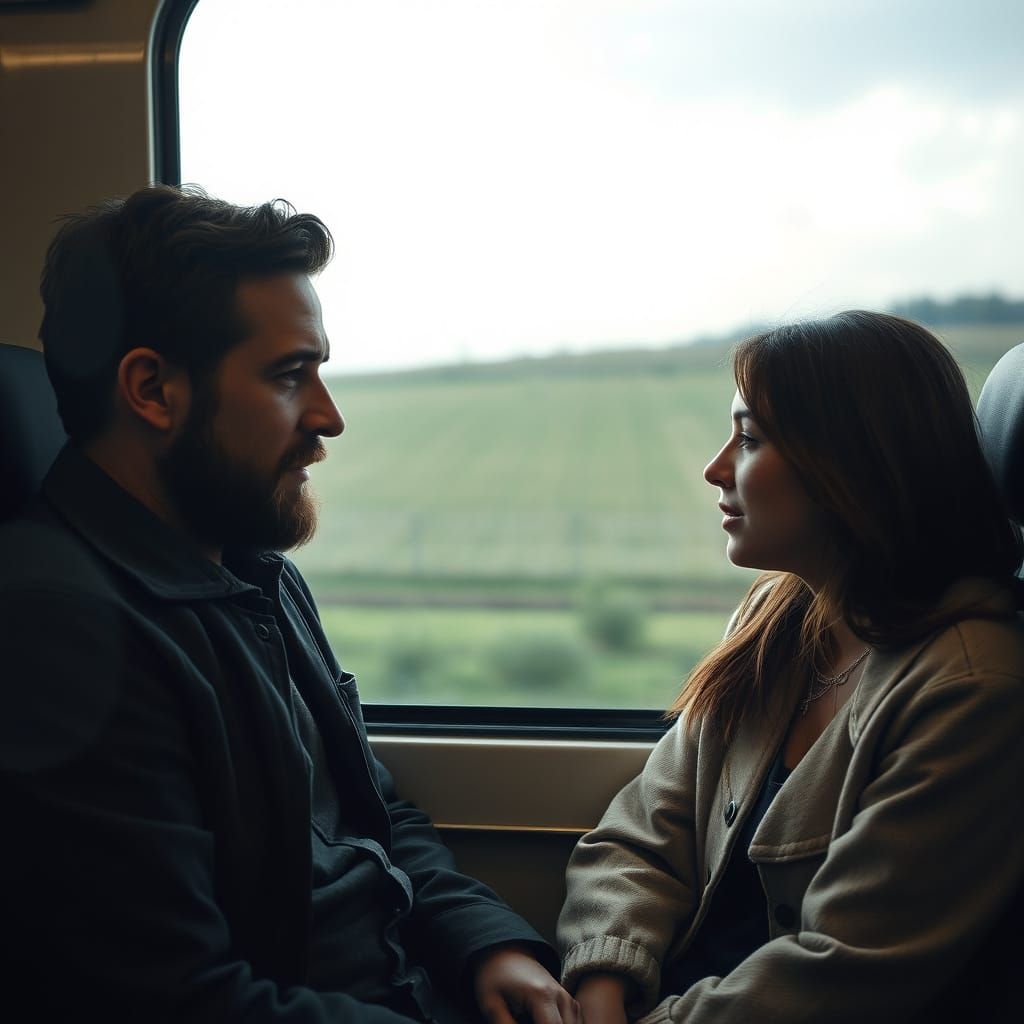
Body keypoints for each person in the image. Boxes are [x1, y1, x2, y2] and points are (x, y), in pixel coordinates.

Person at [0, 185, 579, 1024]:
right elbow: (179, 1002)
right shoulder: (60, 639)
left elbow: (372, 814)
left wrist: (488, 942)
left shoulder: (252, 571)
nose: (329, 418)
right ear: (153, 389)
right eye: (288, 375)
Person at [556, 311, 1024, 1023]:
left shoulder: (972, 688)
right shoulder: (775, 619)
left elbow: (840, 973)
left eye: (748, 439)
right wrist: (602, 980)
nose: (715, 468)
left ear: (851, 464)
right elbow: (645, 832)